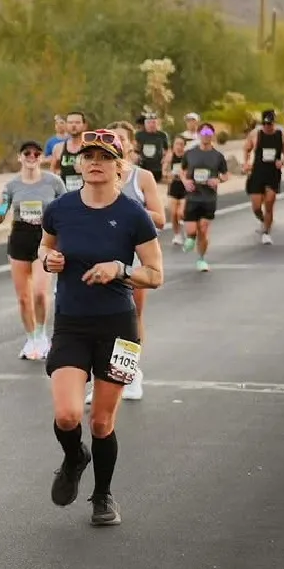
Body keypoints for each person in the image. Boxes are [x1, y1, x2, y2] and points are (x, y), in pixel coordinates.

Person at [39, 128, 162, 526]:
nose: (95, 162)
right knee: (68, 415)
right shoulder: (60, 208)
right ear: (78, 162)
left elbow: (156, 274)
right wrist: (48, 261)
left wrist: (121, 269)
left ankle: (103, 496)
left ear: (119, 167)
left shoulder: (133, 214)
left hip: (119, 329)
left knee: (102, 422)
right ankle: (75, 457)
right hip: (71, 324)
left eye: (106, 157)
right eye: (89, 155)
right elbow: (45, 247)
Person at [106, 120, 165, 401]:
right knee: (99, 319)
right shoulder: (98, 175)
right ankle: (105, 379)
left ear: (130, 145)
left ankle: (131, 374)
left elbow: (160, 218)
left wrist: (130, 212)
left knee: (131, 318)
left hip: (135, 259)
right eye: (111, 137)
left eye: (121, 138)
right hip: (101, 256)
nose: (116, 142)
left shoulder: (141, 178)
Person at [0, 140, 66, 361]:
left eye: (36, 154)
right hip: (20, 238)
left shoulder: (53, 182)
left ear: (41, 158)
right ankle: (31, 338)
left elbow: (65, 210)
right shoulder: (12, 185)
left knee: (39, 293)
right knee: (24, 298)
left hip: (45, 239)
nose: (32, 157)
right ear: (20, 157)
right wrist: (0, 206)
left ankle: (43, 335)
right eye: (27, 153)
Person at [181, 123, 229, 271]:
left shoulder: (218, 156)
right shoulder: (190, 153)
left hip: (208, 198)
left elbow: (226, 175)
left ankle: (201, 259)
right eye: (203, 132)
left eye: (209, 132)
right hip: (192, 197)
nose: (206, 135)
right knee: (191, 231)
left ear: (212, 134)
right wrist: (185, 181)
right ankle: (191, 237)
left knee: (203, 228)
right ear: (199, 134)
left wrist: (218, 180)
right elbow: (182, 171)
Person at [242, 110, 284, 244]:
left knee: (269, 203)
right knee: (256, 207)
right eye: (265, 124)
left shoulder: (281, 135)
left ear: (274, 122)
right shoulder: (256, 134)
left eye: (270, 124)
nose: (268, 126)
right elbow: (246, 149)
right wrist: (246, 163)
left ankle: (266, 232)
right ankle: (263, 219)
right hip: (257, 172)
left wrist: (283, 161)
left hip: (273, 173)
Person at [50, 111, 88, 192]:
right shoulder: (58, 148)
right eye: (70, 122)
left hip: (87, 194)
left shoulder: (90, 148)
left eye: (77, 122)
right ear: (66, 125)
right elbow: (53, 171)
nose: (74, 125)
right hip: (65, 194)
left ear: (84, 126)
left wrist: (85, 169)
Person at [133, 113, 169, 184]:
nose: (151, 125)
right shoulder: (139, 135)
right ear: (145, 124)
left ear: (157, 123)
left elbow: (167, 150)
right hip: (143, 166)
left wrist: (165, 161)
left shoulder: (162, 135)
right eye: (149, 122)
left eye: (153, 122)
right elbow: (135, 149)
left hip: (157, 167)